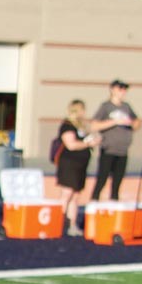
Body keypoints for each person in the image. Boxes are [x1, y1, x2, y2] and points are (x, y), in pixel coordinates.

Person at [89, 79, 139, 201]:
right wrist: (115, 121)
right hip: (109, 149)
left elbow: (136, 122)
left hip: (122, 150)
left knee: (117, 182)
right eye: (120, 89)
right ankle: (94, 202)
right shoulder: (106, 107)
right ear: (112, 89)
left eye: (124, 89)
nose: (123, 92)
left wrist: (132, 123)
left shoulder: (126, 107)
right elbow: (94, 125)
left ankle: (114, 205)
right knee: (102, 179)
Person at [54, 100, 98, 236]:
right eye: (81, 110)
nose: (83, 113)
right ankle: (57, 222)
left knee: (75, 195)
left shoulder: (82, 127)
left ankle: (72, 224)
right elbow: (71, 145)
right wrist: (87, 144)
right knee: (66, 193)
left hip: (80, 165)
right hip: (69, 164)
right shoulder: (67, 126)